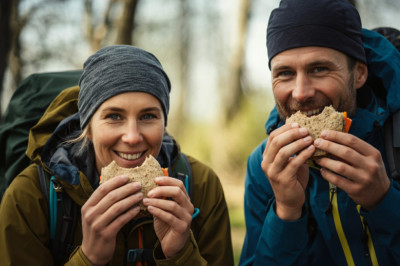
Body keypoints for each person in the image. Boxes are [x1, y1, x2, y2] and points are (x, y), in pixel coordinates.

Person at [0, 45, 234, 265]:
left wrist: (179, 254)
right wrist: (88, 257)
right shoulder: (29, 197)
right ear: (88, 126)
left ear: (164, 123)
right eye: (114, 116)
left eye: (148, 116)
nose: (132, 137)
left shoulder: (202, 187)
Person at [239, 0, 400, 265]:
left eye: (319, 69)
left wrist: (384, 201)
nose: (301, 93)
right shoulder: (263, 166)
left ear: (359, 73)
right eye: (285, 73)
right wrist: (286, 212)